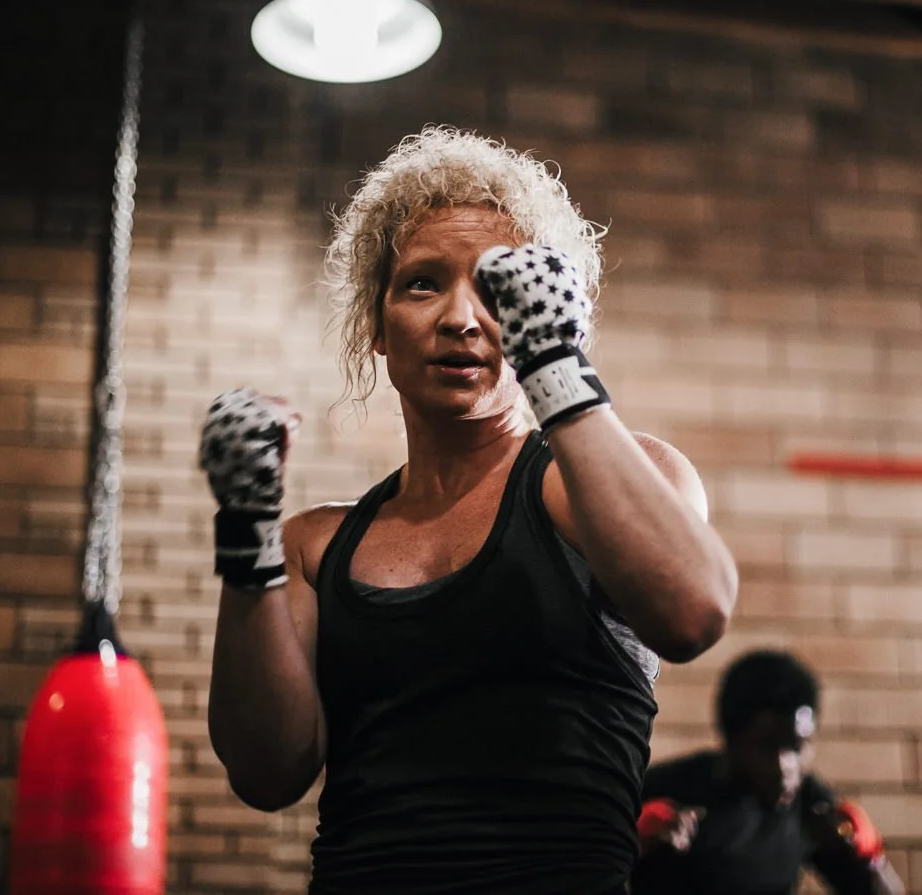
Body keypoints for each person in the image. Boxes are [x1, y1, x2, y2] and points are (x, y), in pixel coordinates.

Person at [201, 127, 739, 894]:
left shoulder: (615, 483)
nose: (461, 317)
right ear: (377, 325)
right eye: (422, 284)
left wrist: (557, 367)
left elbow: (694, 614)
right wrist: (246, 531)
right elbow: (266, 774)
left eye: (496, 288)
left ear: (547, 307)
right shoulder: (316, 547)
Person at [631, 650, 904, 895]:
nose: (785, 767)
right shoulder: (668, 790)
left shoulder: (810, 803)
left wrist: (869, 857)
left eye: (796, 747)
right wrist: (630, 842)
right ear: (731, 740)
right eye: (767, 747)